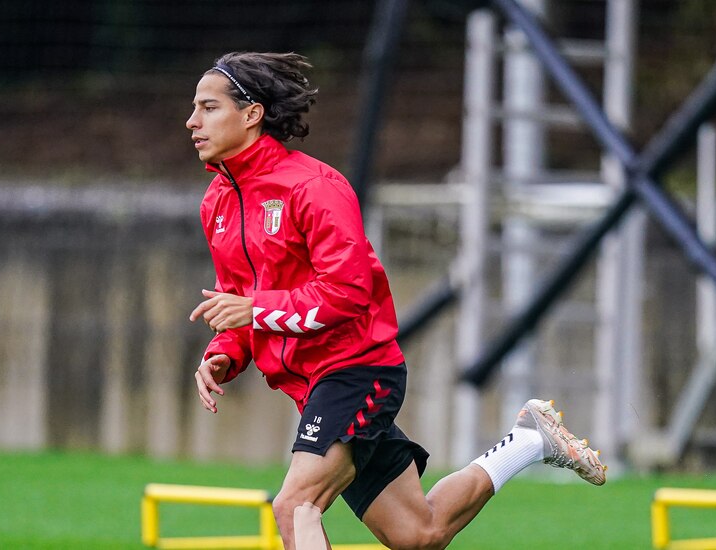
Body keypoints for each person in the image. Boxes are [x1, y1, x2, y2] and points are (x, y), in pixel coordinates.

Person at [186, 51, 606, 550]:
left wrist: (253, 311)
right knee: (418, 535)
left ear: (252, 113)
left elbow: (348, 292)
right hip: (314, 388)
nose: (192, 121)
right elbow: (239, 302)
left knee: (294, 505)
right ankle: (530, 441)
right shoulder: (215, 203)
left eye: (208, 107)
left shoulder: (315, 187)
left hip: (356, 369)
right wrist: (225, 352)